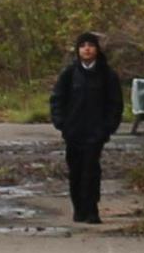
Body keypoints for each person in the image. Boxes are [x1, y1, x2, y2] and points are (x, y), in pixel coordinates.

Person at [47, 31, 125, 225]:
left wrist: (108, 127)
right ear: (78, 50)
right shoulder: (70, 74)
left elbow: (115, 103)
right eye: (83, 46)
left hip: (96, 131)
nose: (87, 49)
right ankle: (79, 208)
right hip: (74, 131)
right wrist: (61, 122)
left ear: (97, 49)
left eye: (91, 45)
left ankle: (92, 209)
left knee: (91, 169)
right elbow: (57, 99)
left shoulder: (107, 75)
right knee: (76, 170)